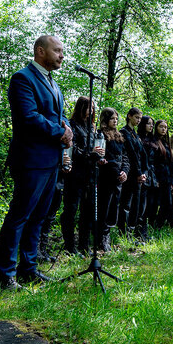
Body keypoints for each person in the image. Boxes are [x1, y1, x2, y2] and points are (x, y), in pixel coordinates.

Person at [0, 34, 73, 290]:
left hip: (52, 160)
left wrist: (67, 128)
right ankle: (5, 275)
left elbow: (60, 116)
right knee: (19, 216)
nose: (62, 56)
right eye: (57, 51)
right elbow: (29, 117)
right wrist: (60, 132)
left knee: (39, 217)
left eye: (62, 51)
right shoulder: (23, 78)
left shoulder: (53, 83)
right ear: (40, 51)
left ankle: (28, 269)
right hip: (31, 159)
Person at [60, 96, 103, 254]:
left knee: (88, 210)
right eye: (88, 107)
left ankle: (84, 245)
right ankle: (69, 246)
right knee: (71, 209)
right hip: (75, 173)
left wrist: (98, 156)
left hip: (90, 173)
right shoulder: (72, 125)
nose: (91, 110)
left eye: (93, 107)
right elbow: (72, 147)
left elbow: (96, 148)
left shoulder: (92, 127)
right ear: (81, 107)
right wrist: (88, 154)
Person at [96, 107, 128, 251]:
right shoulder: (100, 134)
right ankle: (100, 238)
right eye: (112, 118)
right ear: (106, 119)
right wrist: (117, 171)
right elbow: (105, 157)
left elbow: (125, 157)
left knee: (114, 208)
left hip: (118, 179)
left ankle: (107, 235)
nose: (115, 121)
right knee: (104, 207)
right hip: (106, 177)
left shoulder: (119, 136)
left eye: (116, 118)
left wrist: (125, 171)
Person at [119, 108, 150, 242]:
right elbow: (131, 154)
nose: (138, 120)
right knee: (126, 204)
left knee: (136, 206)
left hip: (139, 175)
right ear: (129, 116)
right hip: (130, 174)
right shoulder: (123, 132)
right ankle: (123, 233)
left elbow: (143, 155)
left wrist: (144, 173)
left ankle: (131, 233)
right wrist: (138, 173)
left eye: (140, 118)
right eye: (136, 117)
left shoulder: (135, 135)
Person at [145, 119, 173, 232]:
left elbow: (169, 163)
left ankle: (158, 226)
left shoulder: (166, 143)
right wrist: (155, 179)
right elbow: (152, 162)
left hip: (166, 177)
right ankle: (151, 226)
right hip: (156, 177)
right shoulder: (153, 141)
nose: (163, 129)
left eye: (165, 127)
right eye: (161, 127)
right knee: (154, 204)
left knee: (168, 203)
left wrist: (171, 180)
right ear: (156, 128)